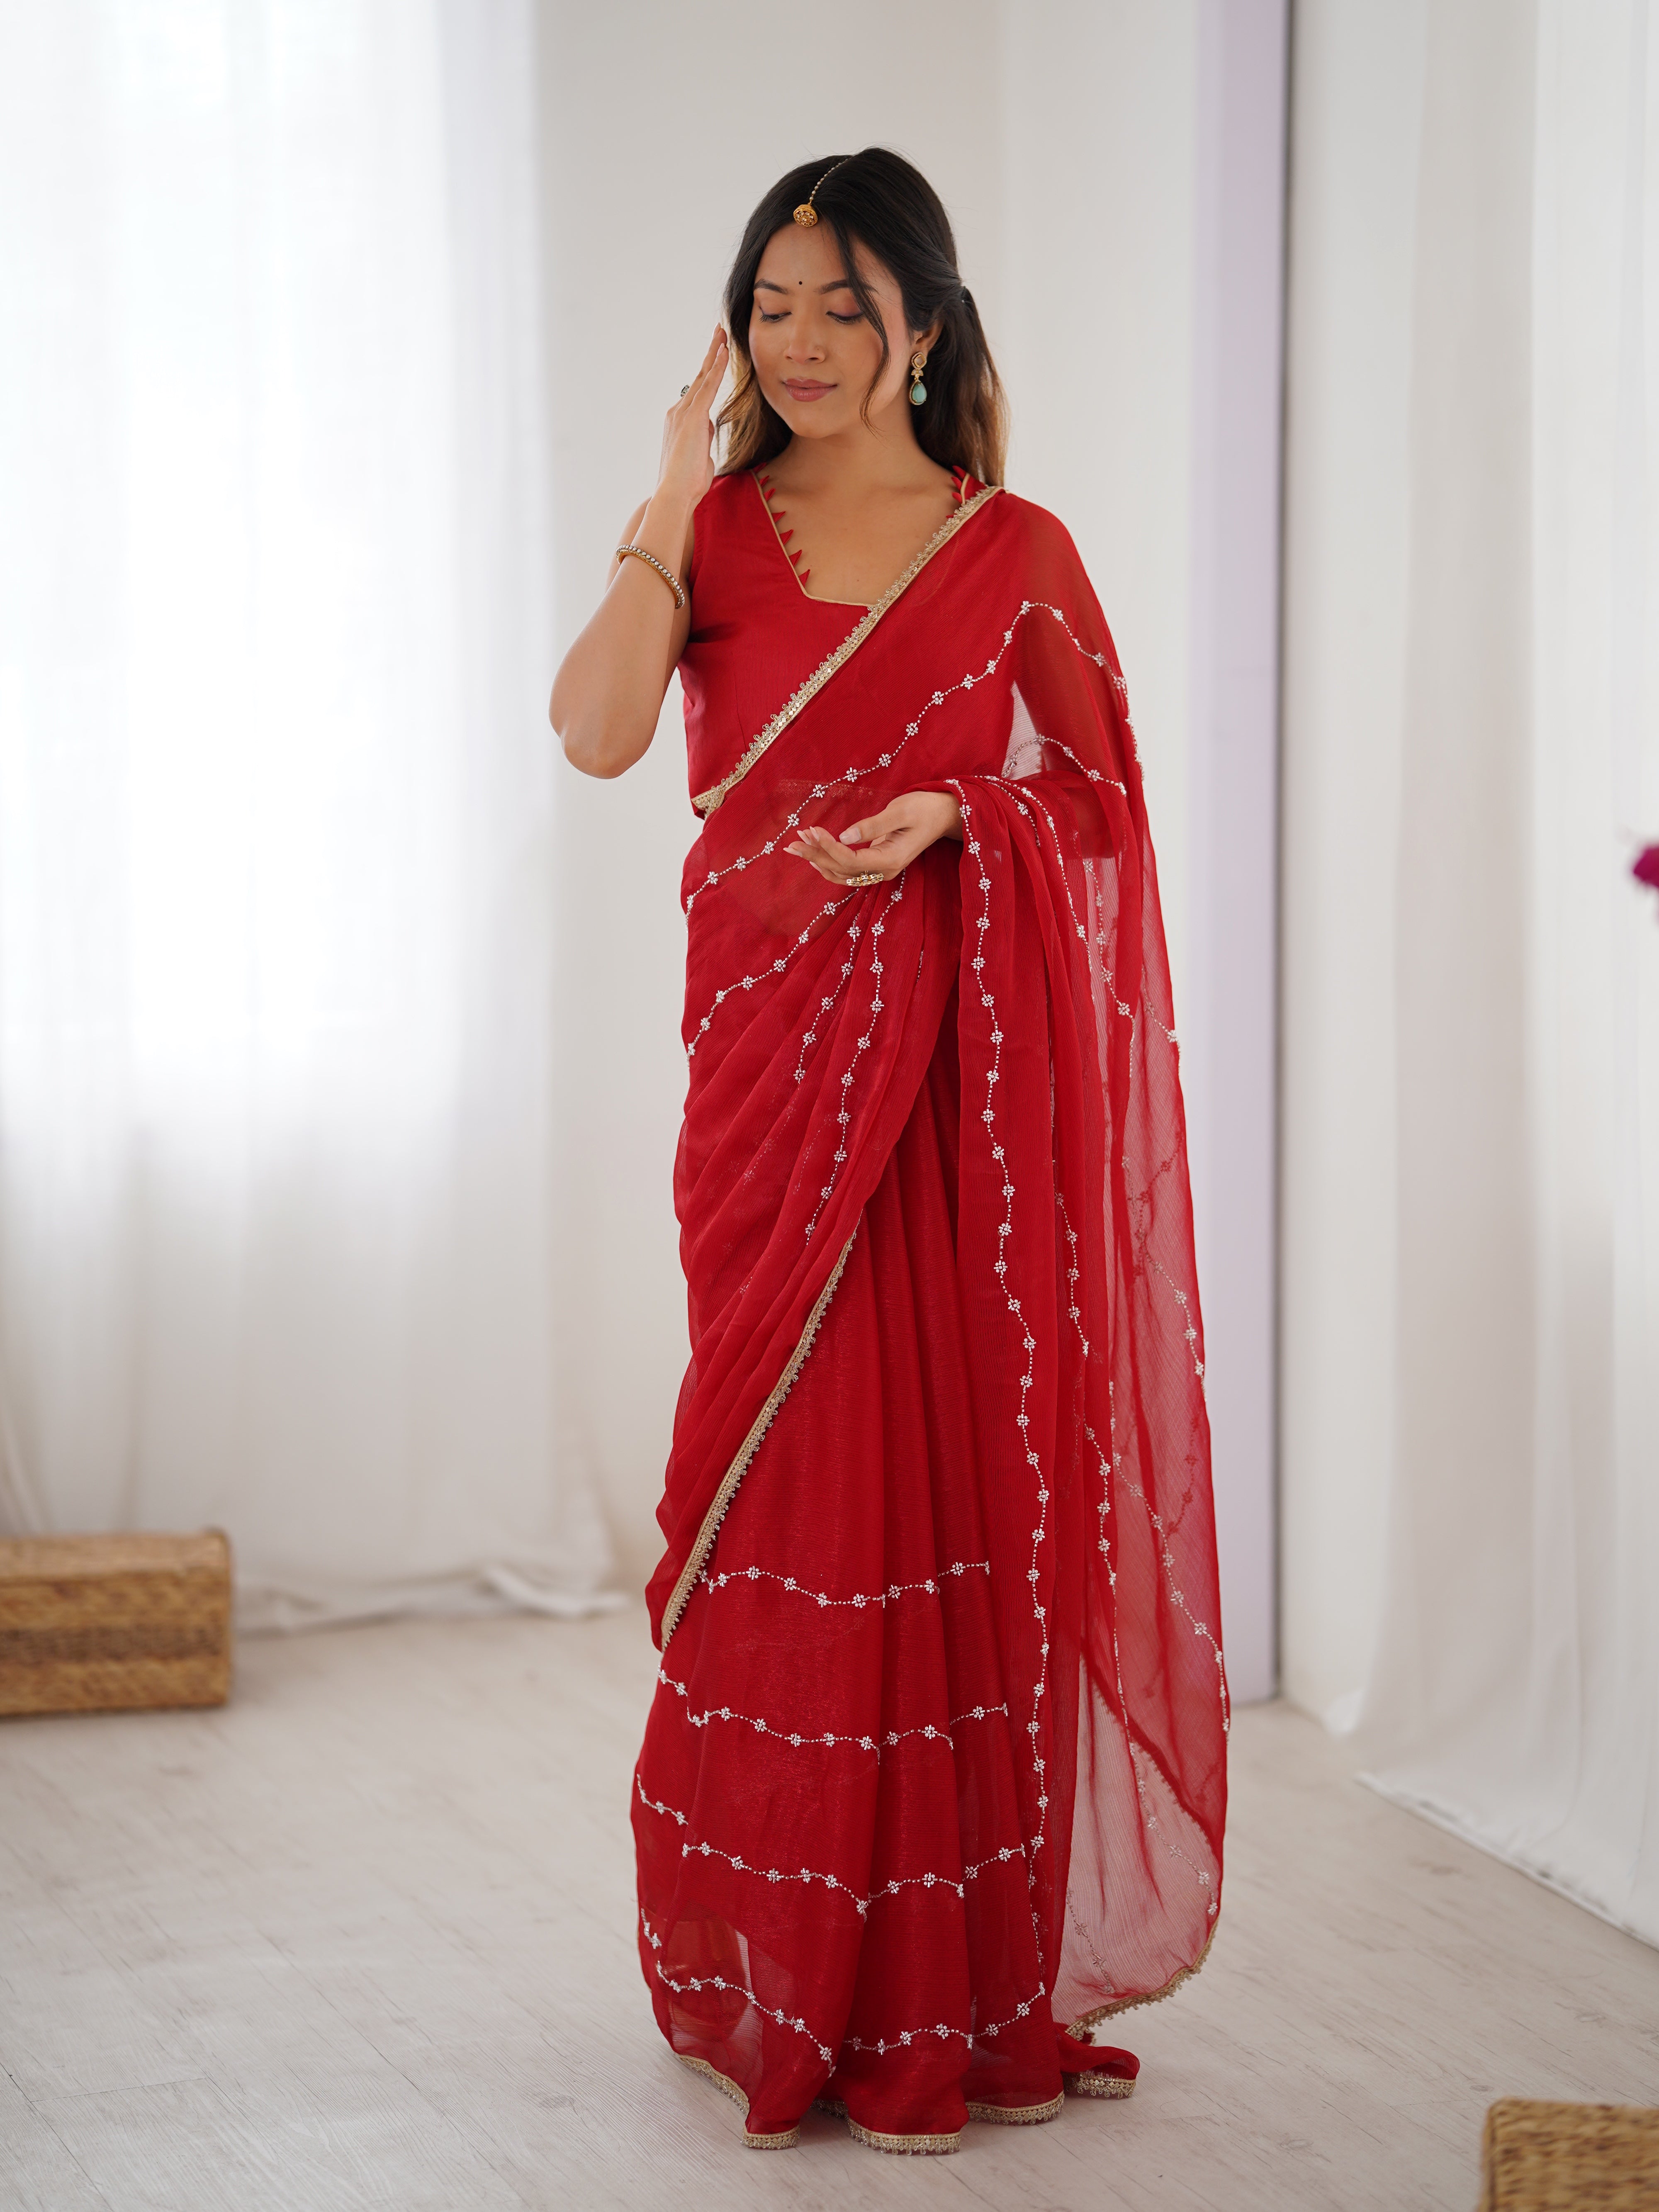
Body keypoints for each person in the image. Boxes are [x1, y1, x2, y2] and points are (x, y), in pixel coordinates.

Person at [550, 147, 1227, 2157]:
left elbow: (1099, 805)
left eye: (844, 305)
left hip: (944, 1110)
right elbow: (594, 732)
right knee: (781, 1498)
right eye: (772, 304)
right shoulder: (709, 533)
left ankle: (935, 1988)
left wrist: (962, 820)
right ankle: (778, 1968)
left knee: (930, 1490)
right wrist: (659, 505)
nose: (803, 341)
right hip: (769, 1091)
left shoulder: (1012, 549)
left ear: (921, 323)